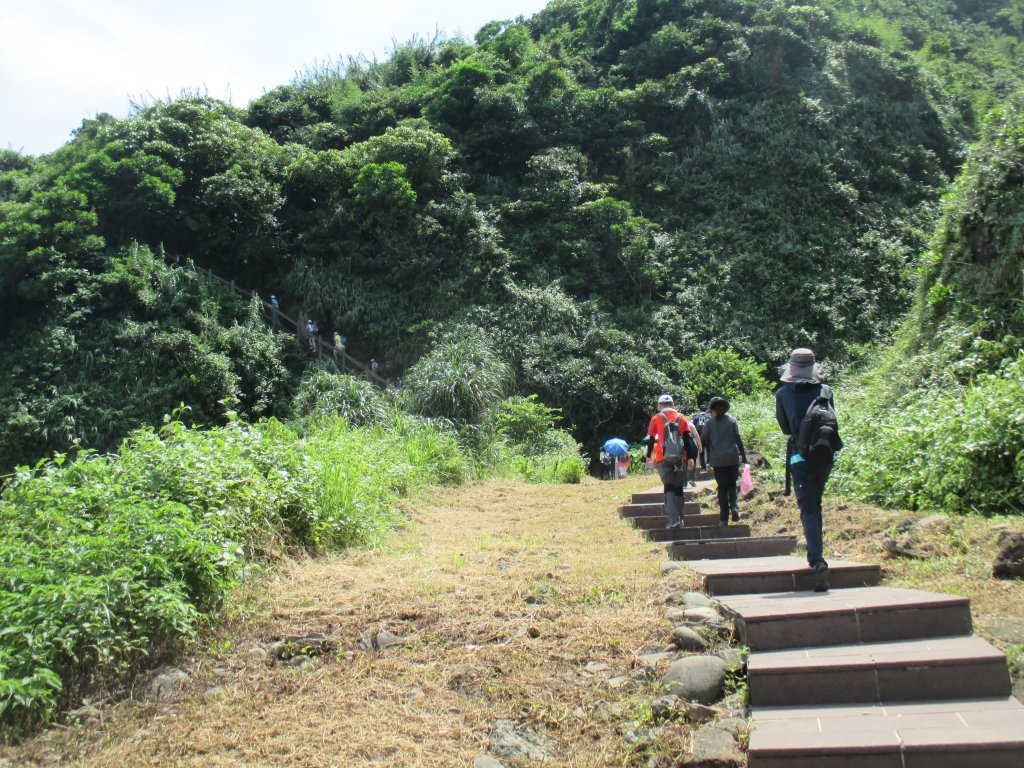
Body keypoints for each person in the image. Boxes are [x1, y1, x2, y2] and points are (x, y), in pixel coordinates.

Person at [775, 348, 834, 592]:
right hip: (824, 454)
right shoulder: (826, 390)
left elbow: (785, 428)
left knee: (808, 508)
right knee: (816, 504)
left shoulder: (783, 394)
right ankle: (816, 554)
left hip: (800, 457)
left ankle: (817, 560)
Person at [646, 394, 697, 530]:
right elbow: (687, 439)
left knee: (668, 487)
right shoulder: (682, 418)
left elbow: (651, 439)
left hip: (663, 458)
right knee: (679, 488)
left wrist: (648, 455)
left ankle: (673, 519)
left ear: (660, 405)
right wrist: (691, 457)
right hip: (681, 458)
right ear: (673, 405)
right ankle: (680, 518)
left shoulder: (656, 418)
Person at [700, 396, 748, 526]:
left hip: (718, 460)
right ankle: (734, 506)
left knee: (722, 488)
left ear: (713, 410)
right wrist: (744, 458)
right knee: (732, 484)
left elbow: (704, 440)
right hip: (732, 458)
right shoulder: (732, 421)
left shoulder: (709, 423)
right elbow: (738, 440)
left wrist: (704, 461)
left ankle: (723, 518)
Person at [690, 404, 712, 471]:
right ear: (706, 409)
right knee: (709, 450)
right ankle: (708, 463)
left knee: (701, 452)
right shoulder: (709, 417)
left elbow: (694, 428)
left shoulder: (696, 418)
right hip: (708, 437)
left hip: (700, 437)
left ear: (699, 409)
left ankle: (703, 467)